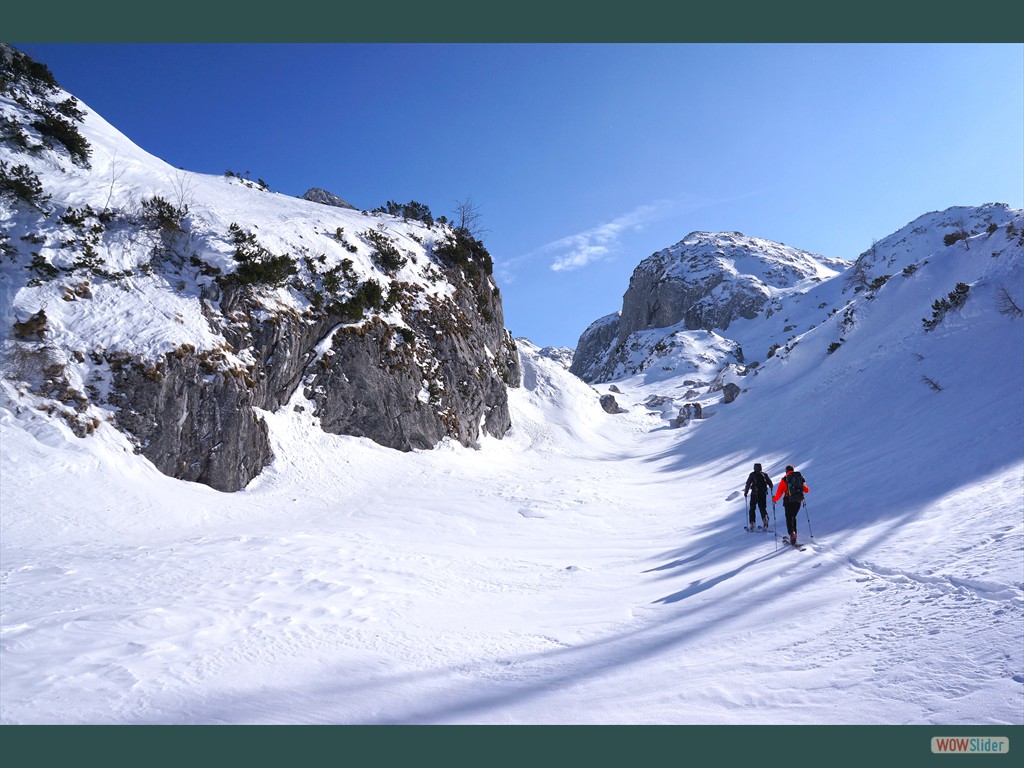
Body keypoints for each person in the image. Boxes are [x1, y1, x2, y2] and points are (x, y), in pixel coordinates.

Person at [772, 465, 809, 544]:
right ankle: (794, 534)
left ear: (786, 471)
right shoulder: (799, 477)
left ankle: (792, 534)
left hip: (788, 502)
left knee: (789, 518)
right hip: (798, 502)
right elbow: (806, 490)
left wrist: (774, 499)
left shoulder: (784, 479)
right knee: (793, 517)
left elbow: (779, 493)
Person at [744, 463, 773, 529]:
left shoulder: (752, 475)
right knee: (762, 507)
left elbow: (748, 483)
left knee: (752, 508)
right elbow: (770, 484)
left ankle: (752, 523)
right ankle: (765, 520)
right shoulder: (765, 475)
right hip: (763, 494)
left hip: (754, 493)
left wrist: (746, 492)